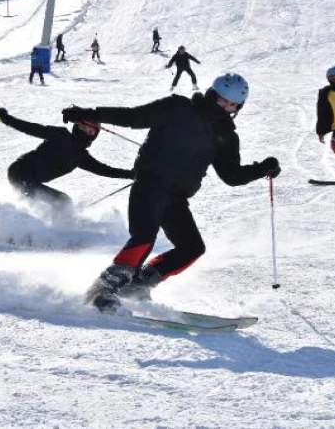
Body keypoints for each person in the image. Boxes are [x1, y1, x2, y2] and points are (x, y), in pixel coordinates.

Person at [61, 73, 281, 312]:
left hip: (176, 197)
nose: (226, 107)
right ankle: (102, 290)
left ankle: (136, 286)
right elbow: (134, 116)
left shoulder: (226, 136)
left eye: (233, 105)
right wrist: (92, 114)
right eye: (222, 100)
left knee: (192, 247)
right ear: (211, 94)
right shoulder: (178, 107)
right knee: (144, 238)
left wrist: (262, 168)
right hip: (149, 185)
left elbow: (231, 176)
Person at [0, 107, 134, 212]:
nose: (88, 130)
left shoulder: (81, 156)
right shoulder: (61, 135)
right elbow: (31, 128)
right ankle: (13, 227)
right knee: (42, 200)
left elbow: (104, 170)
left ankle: (52, 228)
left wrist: (133, 174)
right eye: (84, 126)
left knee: (62, 201)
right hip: (20, 171)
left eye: (92, 129)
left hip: (32, 179)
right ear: (77, 126)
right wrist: (6, 118)